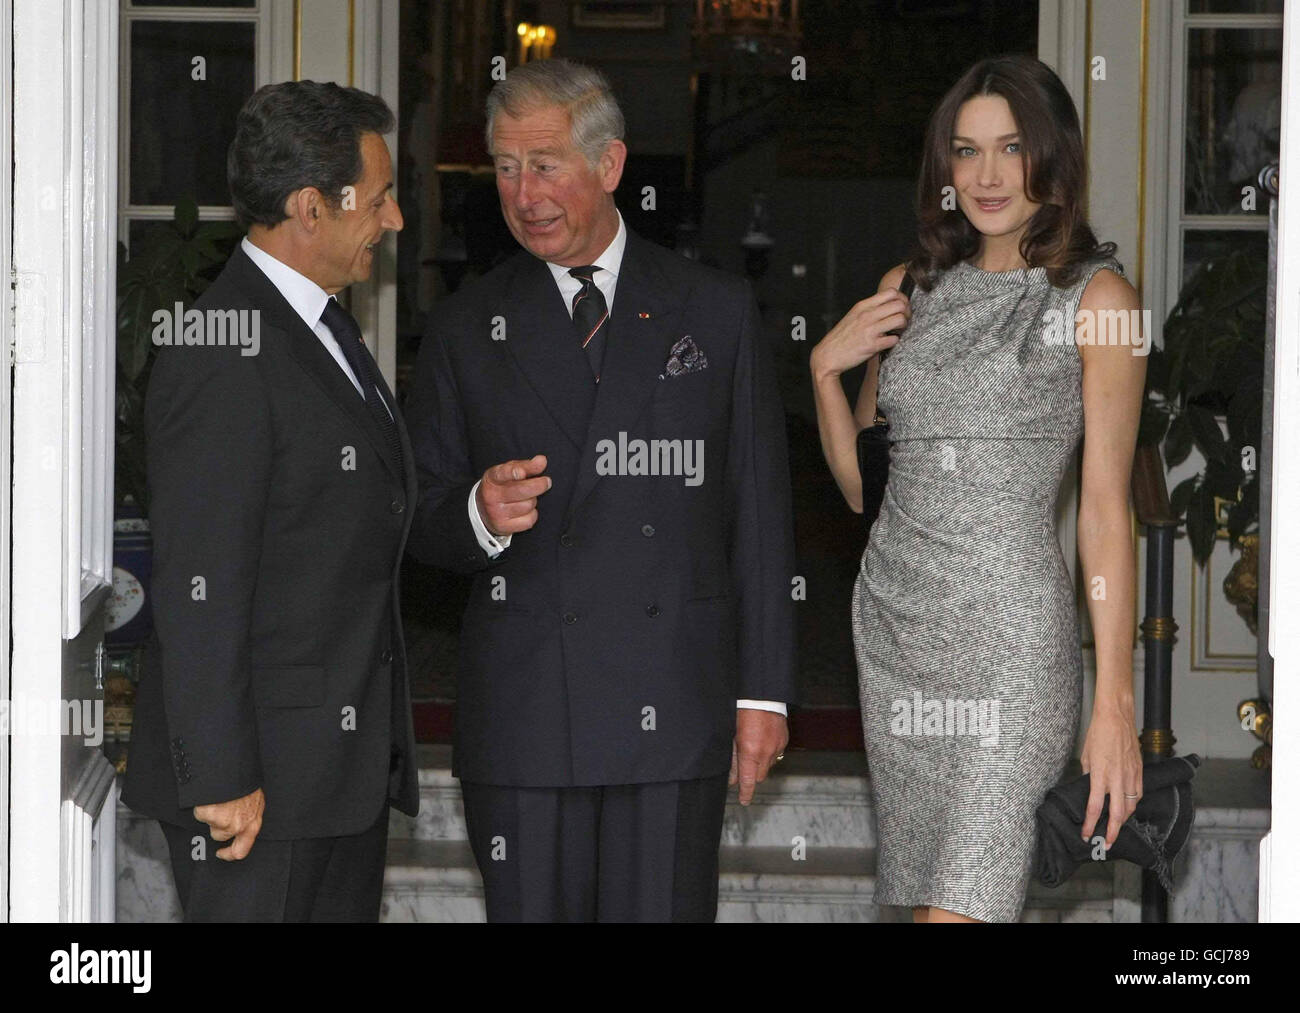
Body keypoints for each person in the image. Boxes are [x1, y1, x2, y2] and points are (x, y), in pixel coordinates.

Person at [404, 58, 797, 922]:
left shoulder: (714, 309)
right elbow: (414, 515)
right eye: (504, 168)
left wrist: (762, 692)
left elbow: (759, 514)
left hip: (675, 700)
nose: (523, 193)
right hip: (526, 715)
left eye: (544, 164)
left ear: (610, 166)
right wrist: (475, 511)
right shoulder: (469, 323)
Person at [810, 54, 1146, 923]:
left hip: (1009, 649)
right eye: (966, 152)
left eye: (1011, 148)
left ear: (1054, 160)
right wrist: (823, 371)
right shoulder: (907, 290)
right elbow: (861, 491)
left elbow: (1106, 509)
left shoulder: (1098, 298)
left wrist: (1113, 701)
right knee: (927, 902)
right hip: (896, 637)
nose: (987, 175)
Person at [122, 81, 418, 921]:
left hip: (335, 778)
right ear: (310, 207)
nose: (394, 220)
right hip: (255, 798)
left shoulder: (327, 327)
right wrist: (220, 777)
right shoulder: (224, 350)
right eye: (381, 196)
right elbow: (197, 582)